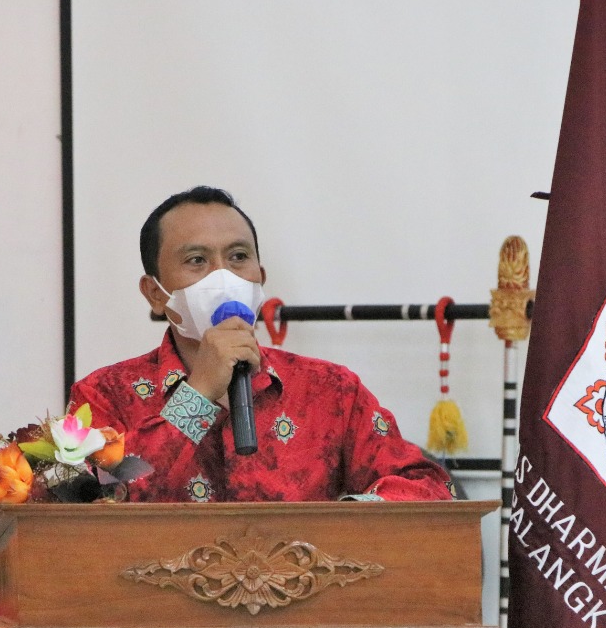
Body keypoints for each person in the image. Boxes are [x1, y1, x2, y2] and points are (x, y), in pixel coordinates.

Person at [69, 187, 454, 503]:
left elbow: (429, 487)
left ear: (260, 278)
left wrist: (345, 522)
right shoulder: (104, 394)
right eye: (197, 260)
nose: (223, 276)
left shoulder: (331, 390)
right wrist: (196, 397)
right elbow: (92, 499)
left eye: (238, 257)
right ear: (155, 293)